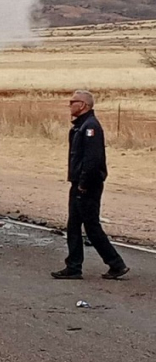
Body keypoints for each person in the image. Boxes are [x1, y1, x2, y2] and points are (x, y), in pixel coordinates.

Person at [52, 90, 129, 280]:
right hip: (79, 182)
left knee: (91, 226)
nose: (69, 105)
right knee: (74, 225)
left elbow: (92, 160)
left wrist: (84, 184)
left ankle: (116, 264)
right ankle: (74, 266)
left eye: (73, 102)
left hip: (87, 184)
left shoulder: (90, 127)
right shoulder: (81, 126)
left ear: (84, 105)